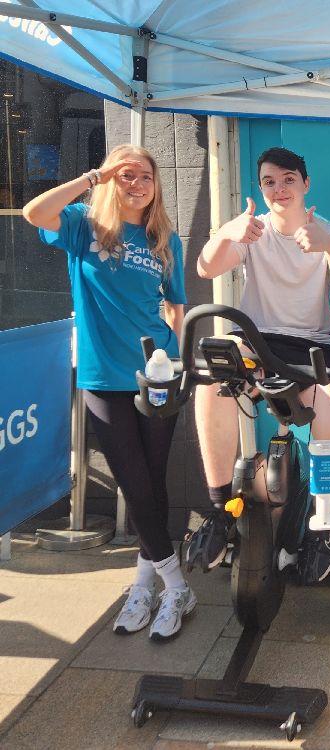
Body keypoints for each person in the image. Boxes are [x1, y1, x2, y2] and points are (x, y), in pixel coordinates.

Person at [23, 144, 192, 641]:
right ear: (109, 179)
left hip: (156, 375)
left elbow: (176, 306)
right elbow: (36, 212)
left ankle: (144, 584)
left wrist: (177, 362)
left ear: (156, 184)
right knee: (133, 484)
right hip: (102, 376)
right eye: (125, 175)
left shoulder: (165, 239)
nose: (136, 184)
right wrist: (91, 178)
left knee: (153, 483)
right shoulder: (82, 225)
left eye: (144, 176)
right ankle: (176, 585)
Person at [192, 147, 330, 576]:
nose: (279, 189)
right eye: (269, 182)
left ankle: (322, 528)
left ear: (305, 184)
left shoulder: (328, 232)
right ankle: (218, 509)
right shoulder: (252, 232)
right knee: (211, 377)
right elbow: (207, 268)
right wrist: (226, 231)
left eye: (287, 180)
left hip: (310, 345)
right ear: (260, 189)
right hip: (257, 340)